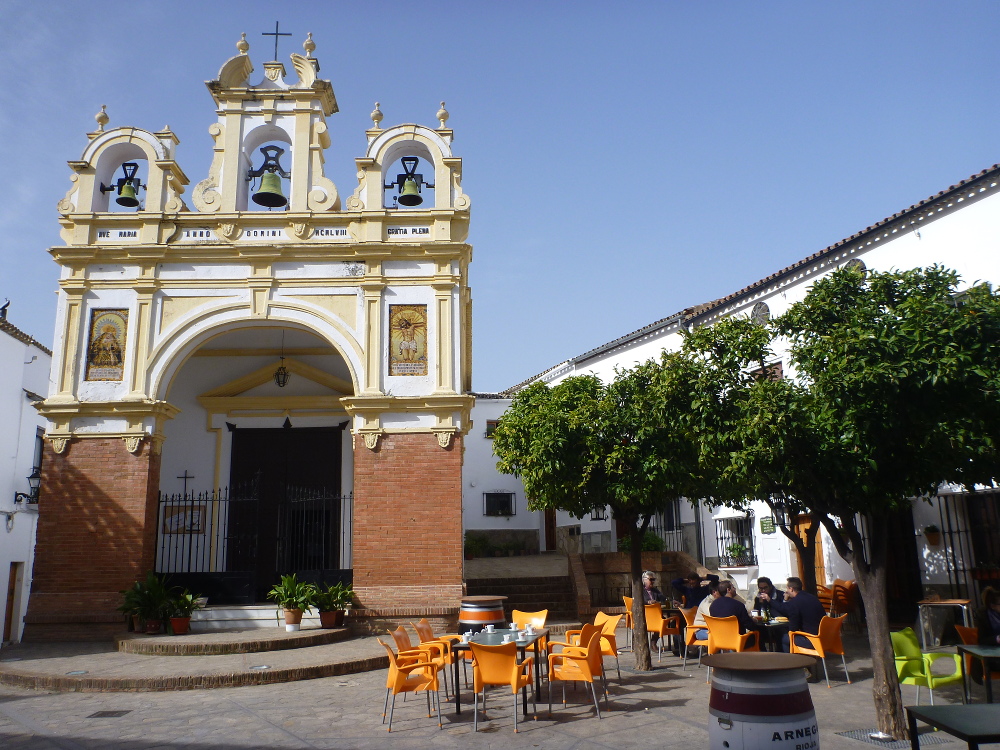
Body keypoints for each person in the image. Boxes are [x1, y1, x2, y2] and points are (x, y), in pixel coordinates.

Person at [761, 577, 827, 653]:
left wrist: (769, 600)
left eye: (787, 589)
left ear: (791, 589)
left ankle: (790, 662)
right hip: (825, 637)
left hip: (812, 640)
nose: (786, 591)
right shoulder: (812, 597)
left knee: (784, 638)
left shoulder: (795, 603)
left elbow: (793, 628)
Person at [708, 580, 759, 649]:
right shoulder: (738, 605)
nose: (735, 589)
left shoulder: (713, 605)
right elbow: (749, 625)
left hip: (718, 639)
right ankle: (765, 657)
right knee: (758, 633)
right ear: (728, 590)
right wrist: (754, 621)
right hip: (738, 640)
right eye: (733, 587)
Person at [971, 586, 1000, 685]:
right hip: (992, 658)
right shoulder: (983, 616)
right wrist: (997, 639)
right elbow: (982, 640)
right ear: (993, 606)